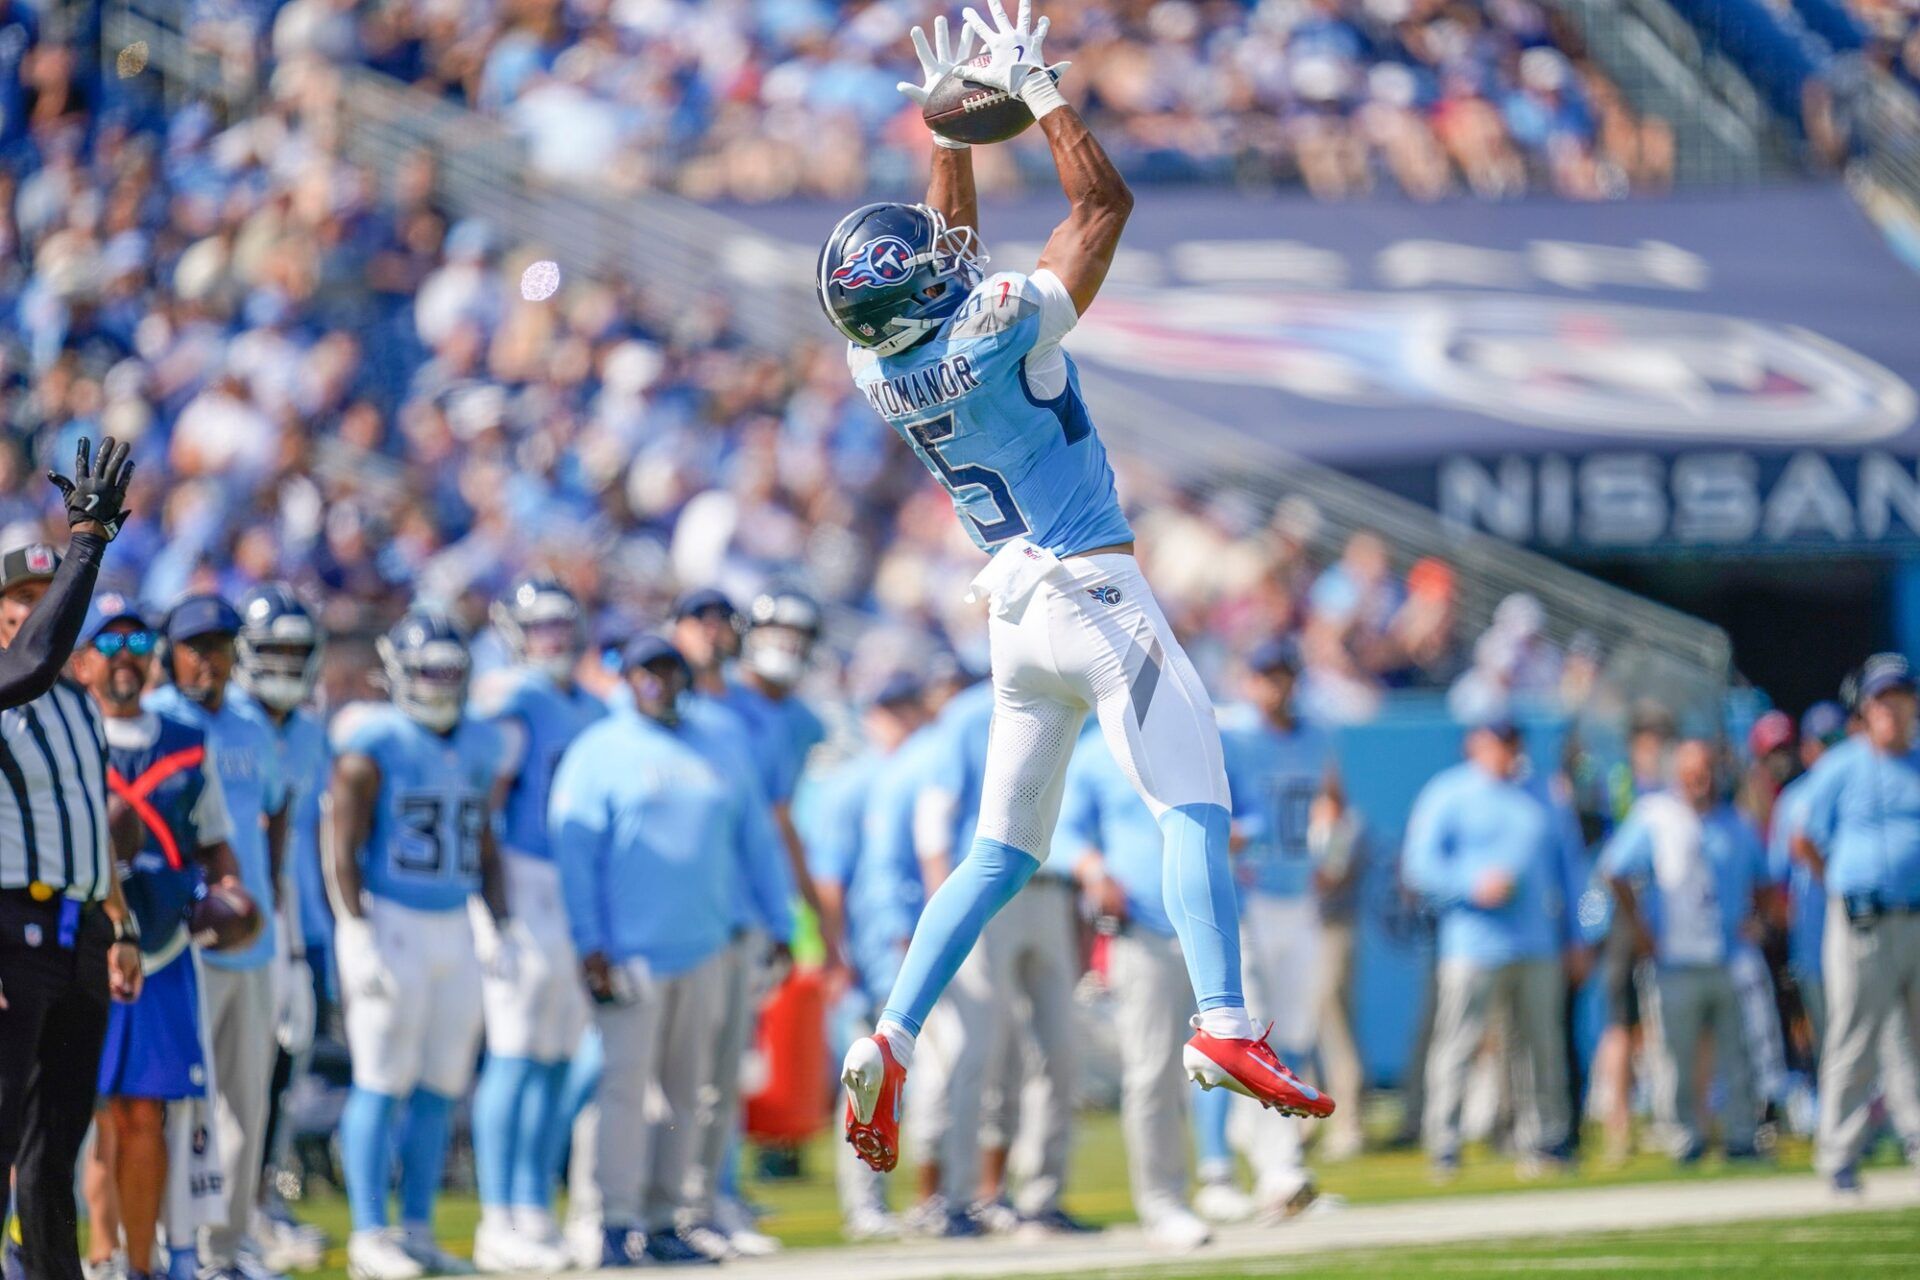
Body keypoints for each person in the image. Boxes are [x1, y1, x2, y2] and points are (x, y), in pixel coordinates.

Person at [824, 2, 1330, 1173]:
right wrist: (1040, 94)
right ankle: (1228, 1025)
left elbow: (937, 260)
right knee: (1192, 800)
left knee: (1001, 852)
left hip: (1011, 617)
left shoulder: (876, 360)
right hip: (1092, 590)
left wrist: (950, 138)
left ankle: (894, 1036)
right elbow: (1103, 208)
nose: (950, 253)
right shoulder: (996, 325)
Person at [548, 635, 770, 1267]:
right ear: (628, 677)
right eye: (646, 670)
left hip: (702, 945)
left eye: (668, 670)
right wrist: (590, 943)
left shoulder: (716, 741)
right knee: (621, 1090)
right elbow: (577, 856)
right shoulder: (599, 749)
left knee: (685, 1092)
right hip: (630, 953)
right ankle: (608, 1220)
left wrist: (773, 920)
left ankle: (666, 1216)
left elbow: (752, 837)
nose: (658, 682)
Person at [327, 609, 510, 1278]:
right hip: (392, 920)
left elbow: (484, 841)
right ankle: (369, 1233)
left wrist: (501, 922)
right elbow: (340, 845)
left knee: (440, 1083)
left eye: (451, 672)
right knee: (380, 1078)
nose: (441, 683)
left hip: (455, 921)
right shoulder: (373, 742)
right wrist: (355, 931)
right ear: (400, 674)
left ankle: (418, 1228)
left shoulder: (482, 742)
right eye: (429, 670)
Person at [78, 593, 252, 1280]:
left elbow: (215, 843)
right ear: (86, 660)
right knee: (93, 1114)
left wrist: (232, 898)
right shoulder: (69, 733)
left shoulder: (185, 744)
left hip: (164, 945)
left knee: (147, 1114)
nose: (127, 659)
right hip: (84, 943)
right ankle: (98, 1254)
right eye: (111, 646)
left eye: (137, 644)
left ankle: (143, 1264)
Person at [0, 439, 140, 1280]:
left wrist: (117, 921)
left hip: (79, 926)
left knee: (57, 1142)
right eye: (19, 596)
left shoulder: (79, 707)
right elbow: (32, 658)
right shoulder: (12, 680)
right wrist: (85, 543)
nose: (31, 609)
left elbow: (90, 824)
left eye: (43, 596)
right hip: (9, 925)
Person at [144, 595, 291, 1280]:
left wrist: (275, 909)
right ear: (170, 653)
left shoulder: (251, 723)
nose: (209, 660)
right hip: (182, 944)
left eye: (220, 645)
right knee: (183, 1104)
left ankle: (228, 1248)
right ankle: (178, 1244)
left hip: (252, 940)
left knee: (247, 1103)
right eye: (195, 646)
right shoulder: (158, 723)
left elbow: (275, 813)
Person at [466, 579, 604, 1273]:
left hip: (572, 889)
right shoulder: (511, 699)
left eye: (561, 625)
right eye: (540, 626)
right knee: (516, 1053)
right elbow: (484, 808)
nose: (553, 639)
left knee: (554, 1057)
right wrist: (490, 908)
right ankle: (499, 1215)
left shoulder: (592, 707)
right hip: (518, 881)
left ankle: (531, 1204)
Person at [1199, 637, 1348, 1218]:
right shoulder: (1231, 734)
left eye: (1282, 673)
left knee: (1292, 1036)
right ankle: (1279, 1170)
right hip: (1247, 897)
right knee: (1252, 1034)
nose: (1274, 685)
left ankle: (1275, 1163)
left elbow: (1334, 799)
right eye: (1264, 674)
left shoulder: (1317, 736)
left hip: (1297, 897)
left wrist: (1328, 852)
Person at [1403, 720, 1585, 1176]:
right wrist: (1470, 885)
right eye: (1496, 740)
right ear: (1474, 743)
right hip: (1472, 944)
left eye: (1512, 740)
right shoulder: (1448, 793)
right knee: (1458, 1044)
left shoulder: (1545, 796)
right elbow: (1418, 867)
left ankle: (1546, 1141)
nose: (1506, 750)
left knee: (1541, 1046)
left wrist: (1579, 938)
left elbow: (1572, 870)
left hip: (1536, 942)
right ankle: (1444, 1142)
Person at [1057, 723, 1212, 1252]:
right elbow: (1063, 829)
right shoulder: (1094, 754)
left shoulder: (1196, 736)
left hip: (1210, 921)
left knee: (1246, 1051)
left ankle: (1258, 1178)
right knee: (1152, 1071)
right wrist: (1094, 869)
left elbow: (1245, 811)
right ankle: (1163, 1202)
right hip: (1143, 925)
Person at [1601, 739, 1771, 1163]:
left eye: (1708, 769)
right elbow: (1615, 870)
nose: (1702, 779)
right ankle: (1684, 1138)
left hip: (1727, 957)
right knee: (1675, 1057)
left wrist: (1758, 921)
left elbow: (1765, 879)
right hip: (1674, 959)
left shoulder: (1734, 822)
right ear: (1678, 773)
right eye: (1693, 770)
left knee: (1737, 1052)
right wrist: (1641, 930)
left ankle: (1739, 1136)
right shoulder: (1655, 816)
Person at [800, 682, 924, 1243]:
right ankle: (865, 1203)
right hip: (869, 958)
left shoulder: (926, 770)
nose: (902, 717)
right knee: (864, 1087)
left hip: (916, 957)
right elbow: (829, 882)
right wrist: (835, 955)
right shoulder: (851, 785)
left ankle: (932, 1197)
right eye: (892, 706)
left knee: (923, 1088)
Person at [1791, 653, 1920, 1193]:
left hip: (1913, 917)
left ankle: (1915, 1136)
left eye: (1900, 697)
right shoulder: (1841, 765)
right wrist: (1841, 885)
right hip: (1862, 919)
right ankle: (1837, 1154)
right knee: (1852, 1036)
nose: (1891, 708)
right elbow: (1802, 838)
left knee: (1913, 1037)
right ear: (1865, 709)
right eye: (1881, 699)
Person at [229, 584, 329, 1272]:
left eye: (297, 650)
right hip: (244, 926)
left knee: (283, 1078)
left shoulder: (315, 733)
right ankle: (229, 1213)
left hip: (305, 924)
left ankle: (261, 1201)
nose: (287, 663)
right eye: (276, 650)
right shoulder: (231, 721)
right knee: (239, 1078)